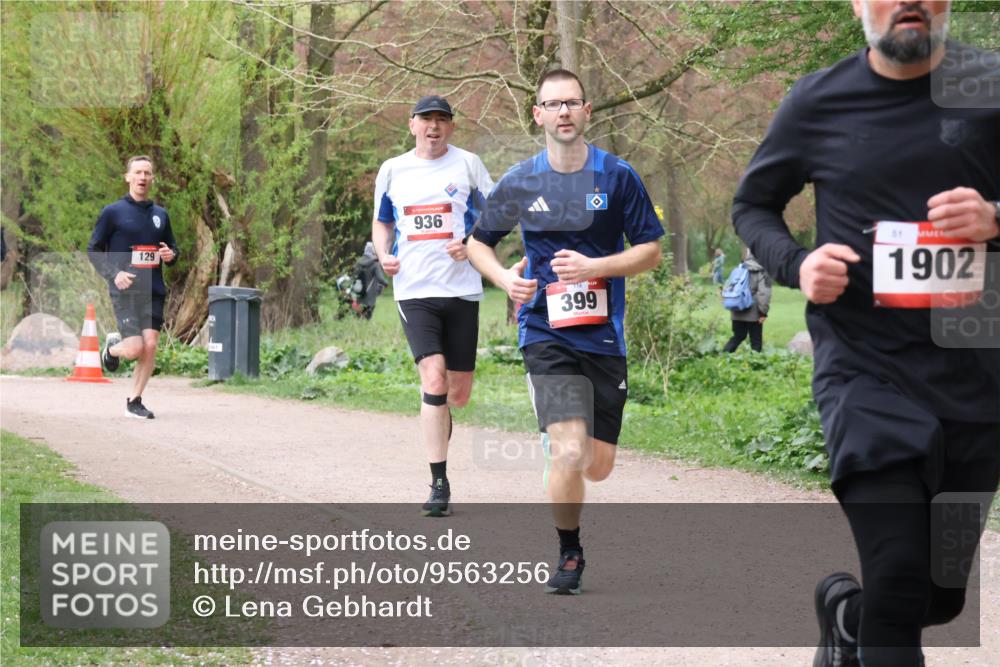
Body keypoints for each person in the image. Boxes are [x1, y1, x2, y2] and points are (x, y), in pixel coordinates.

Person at [732, 1, 999, 665]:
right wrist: (798, 264)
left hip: (977, 378)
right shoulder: (819, 101)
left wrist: (996, 215)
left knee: (937, 597)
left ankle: (849, 617)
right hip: (864, 372)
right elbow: (753, 204)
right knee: (901, 573)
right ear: (858, 4)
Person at [467, 69, 663, 595]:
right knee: (569, 450)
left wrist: (600, 267)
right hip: (543, 332)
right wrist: (505, 277)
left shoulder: (618, 176)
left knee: (596, 466)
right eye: (552, 104)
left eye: (571, 103)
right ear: (538, 115)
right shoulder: (522, 180)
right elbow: (477, 243)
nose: (563, 112)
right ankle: (569, 550)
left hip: (602, 336)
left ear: (587, 110)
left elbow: (650, 250)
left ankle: (568, 462)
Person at [371, 95, 494, 517]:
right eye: (427, 120)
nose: (434, 126)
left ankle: (438, 419)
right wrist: (384, 253)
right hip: (414, 289)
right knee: (434, 377)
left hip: (462, 289)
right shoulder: (393, 169)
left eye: (442, 120)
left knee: (456, 394)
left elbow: (496, 211)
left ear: (452, 128)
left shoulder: (468, 164)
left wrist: (473, 242)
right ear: (412, 125)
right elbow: (382, 220)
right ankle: (439, 481)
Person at [88, 155, 179, 419]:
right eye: (138, 172)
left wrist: (171, 255)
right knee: (134, 349)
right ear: (127, 177)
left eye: (147, 173)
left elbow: (172, 249)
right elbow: (94, 249)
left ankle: (135, 401)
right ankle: (112, 349)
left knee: (150, 346)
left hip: (153, 290)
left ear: (152, 179)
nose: (142, 178)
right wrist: (113, 274)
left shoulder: (160, 215)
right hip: (125, 290)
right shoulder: (113, 212)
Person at [722, 250, 771, 353]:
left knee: (738, 336)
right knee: (756, 342)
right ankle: (755, 364)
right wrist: (763, 312)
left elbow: (729, 287)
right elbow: (764, 294)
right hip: (754, 312)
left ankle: (723, 356)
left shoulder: (739, 268)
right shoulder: (762, 271)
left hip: (736, 307)